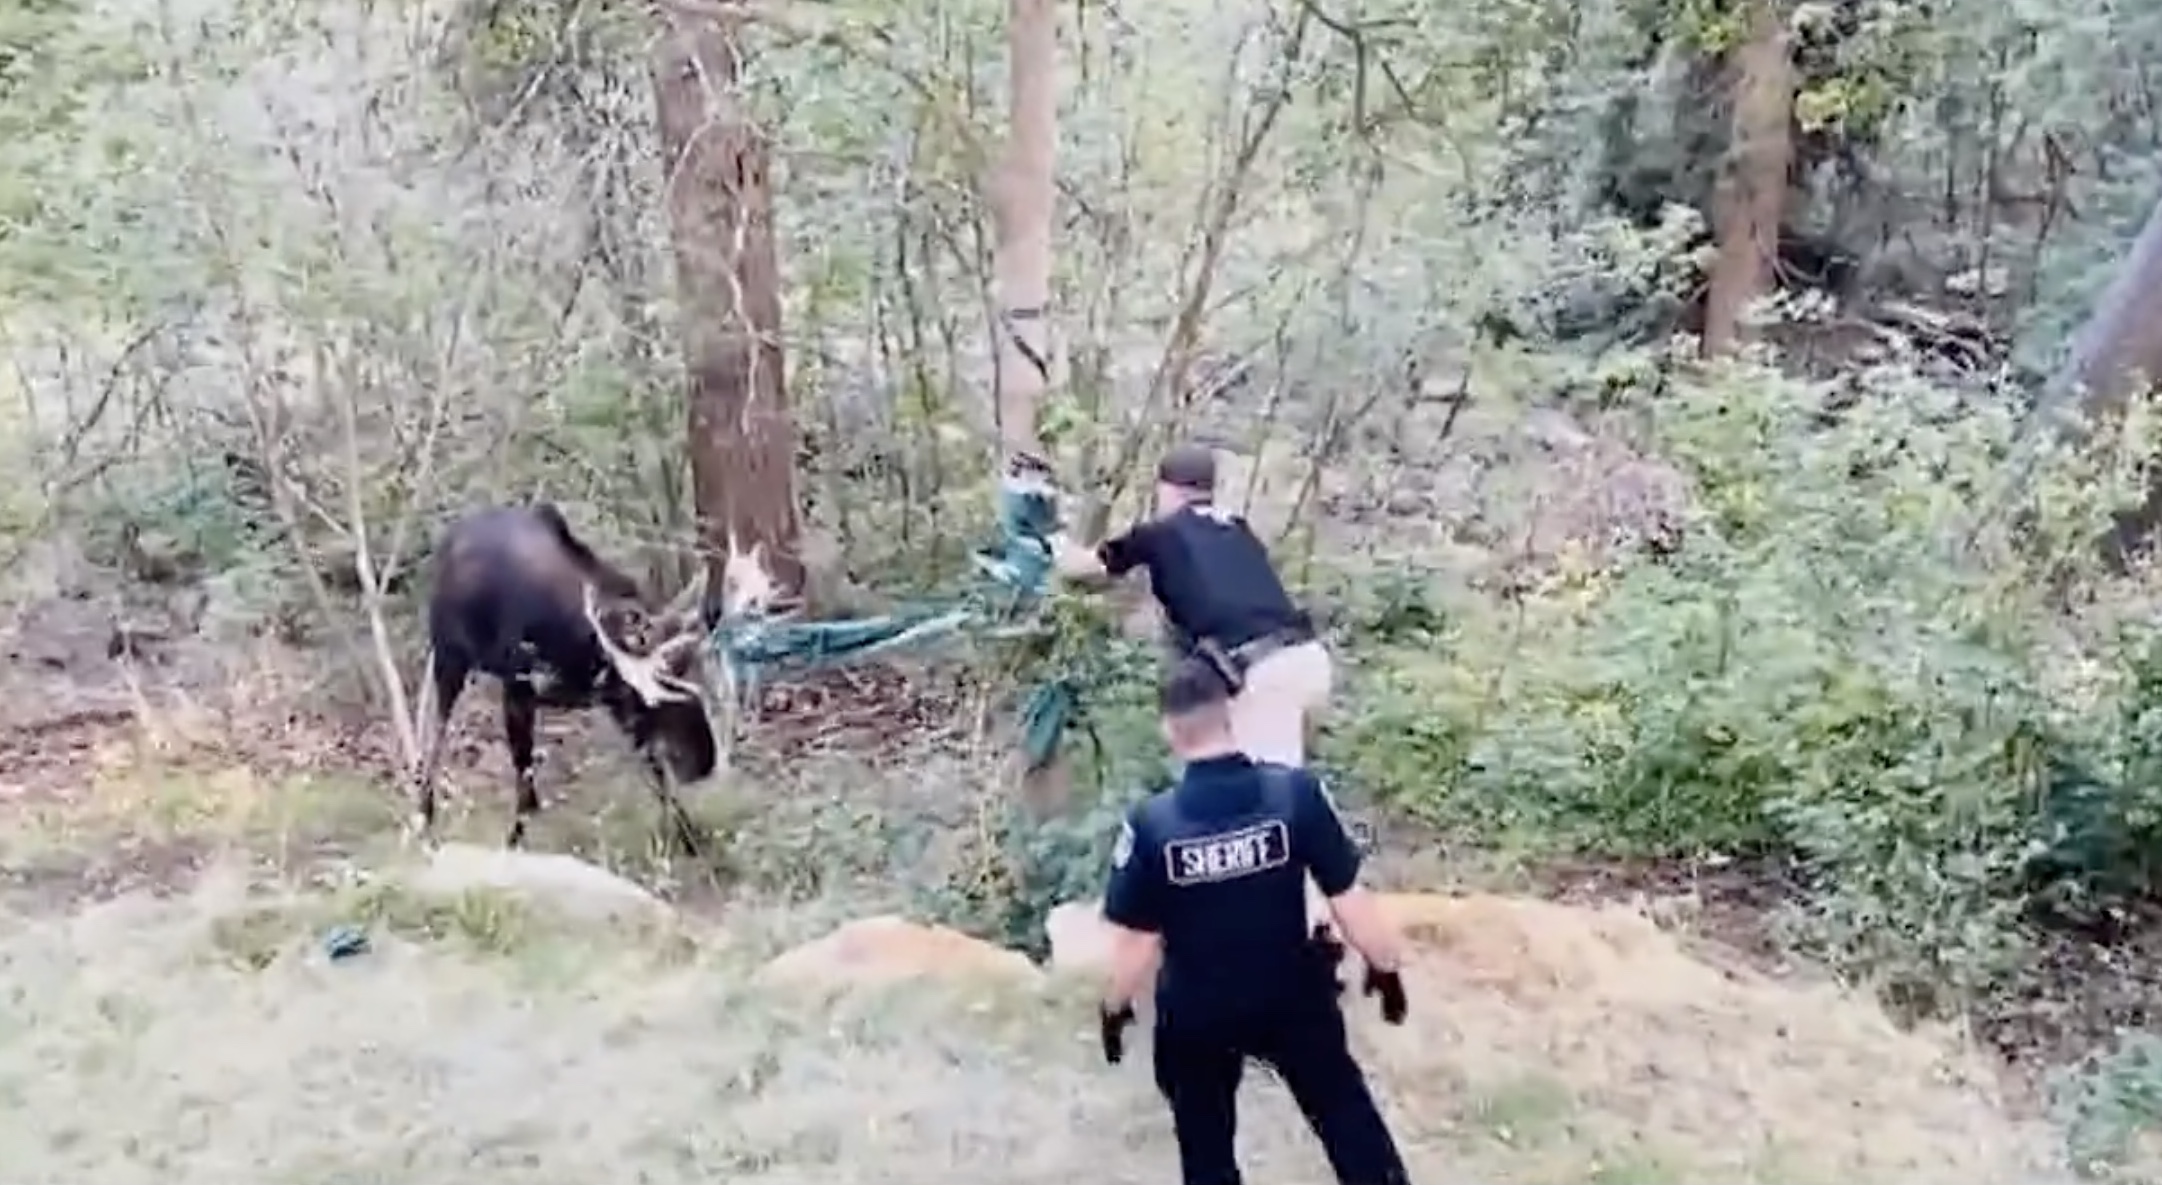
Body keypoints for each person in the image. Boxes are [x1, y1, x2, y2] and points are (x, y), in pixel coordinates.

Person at [1095, 657, 1414, 1185]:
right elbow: (1348, 899)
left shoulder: (1153, 826)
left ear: (1170, 730)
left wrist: (1115, 1006)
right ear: (1230, 718)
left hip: (1198, 1010)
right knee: (1344, 1115)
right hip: (1290, 995)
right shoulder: (1294, 795)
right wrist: (1385, 967)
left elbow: (1137, 943)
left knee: (1206, 1148)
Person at [1053, 444, 1332, 767]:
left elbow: (1084, 566)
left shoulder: (1158, 533)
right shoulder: (1237, 528)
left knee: (1267, 793)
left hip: (1263, 674)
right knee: (1279, 781)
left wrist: (1054, 541)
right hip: (1308, 660)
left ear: (1166, 489)